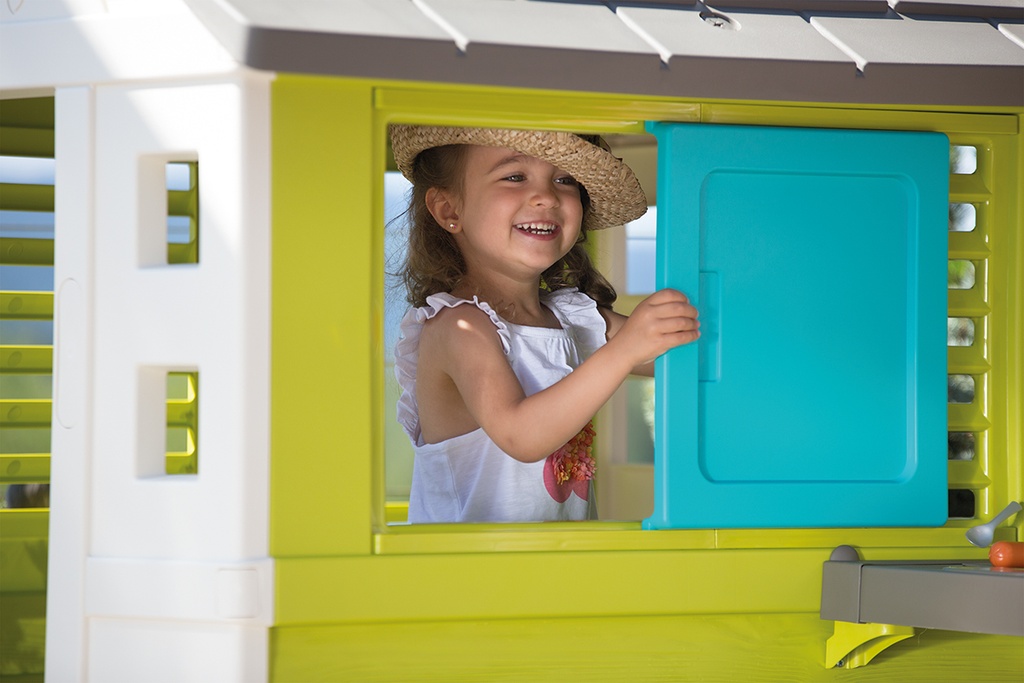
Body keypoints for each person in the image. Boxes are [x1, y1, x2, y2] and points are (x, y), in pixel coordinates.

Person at [390, 125, 700, 523]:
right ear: (451, 211)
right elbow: (521, 436)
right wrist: (625, 349)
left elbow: (675, 354)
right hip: (466, 573)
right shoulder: (459, 326)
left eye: (565, 180)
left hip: (554, 560)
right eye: (514, 176)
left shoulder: (571, 317)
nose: (547, 196)